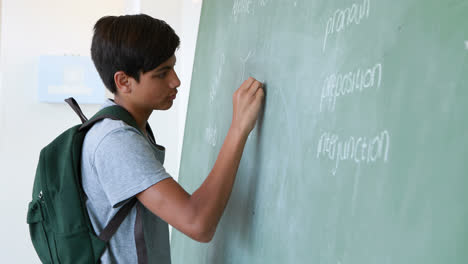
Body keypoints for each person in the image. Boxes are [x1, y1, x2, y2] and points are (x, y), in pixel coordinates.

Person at [82, 14, 264, 263]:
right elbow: (198, 223)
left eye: (173, 67)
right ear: (124, 81)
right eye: (162, 73)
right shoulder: (116, 141)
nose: (175, 81)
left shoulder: (123, 129)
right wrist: (239, 128)